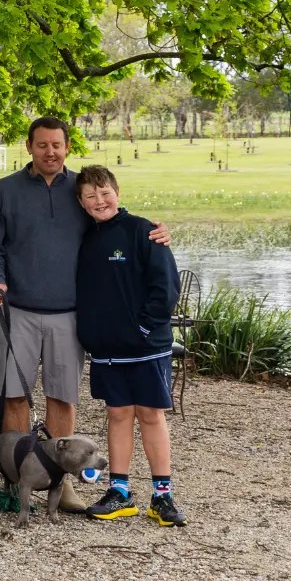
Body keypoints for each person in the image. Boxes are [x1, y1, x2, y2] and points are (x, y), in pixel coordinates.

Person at [0, 118, 170, 454]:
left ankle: (58, 476)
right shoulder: (6, 190)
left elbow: (111, 220)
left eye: (57, 145)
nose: (50, 152)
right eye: (42, 145)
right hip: (17, 311)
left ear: (67, 147)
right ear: (29, 146)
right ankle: (16, 475)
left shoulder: (80, 189)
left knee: (62, 397)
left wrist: (153, 233)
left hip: (70, 314)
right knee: (14, 397)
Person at [74, 166, 186, 527]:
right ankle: (119, 492)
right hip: (107, 349)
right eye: (90, 195)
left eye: (105, 192)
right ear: (81, 202)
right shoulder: (84, 238)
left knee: (150, 414)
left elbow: (166, 287)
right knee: (118, 414)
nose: (99, 200)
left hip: (146, 345)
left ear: (117, 192)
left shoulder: (142, 230)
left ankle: (162, 496)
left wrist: (143, 327)